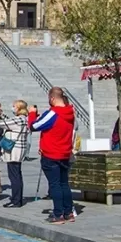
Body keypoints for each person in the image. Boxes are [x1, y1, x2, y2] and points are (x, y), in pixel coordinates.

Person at [30, 87, 76, 224]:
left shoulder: (53, 113)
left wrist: (32, 114)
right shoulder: (70, 112)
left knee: (55, 184)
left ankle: (58, 214)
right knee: (64, 183)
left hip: (51, 153)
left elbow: (34, 126)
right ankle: (68, 212)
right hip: (64, 152)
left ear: (52, 98)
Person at [0, 100, 30, 208]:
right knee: (16, 175)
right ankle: (17, 198)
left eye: (14, 106)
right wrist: (1, 114)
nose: (13, 108)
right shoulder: (23, 119)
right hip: (19, 149)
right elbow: (8, 121)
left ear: (19, 108)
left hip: (14, 150)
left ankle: (16, 200)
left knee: (14, 176)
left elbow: (0, 123)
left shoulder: (19, 119)